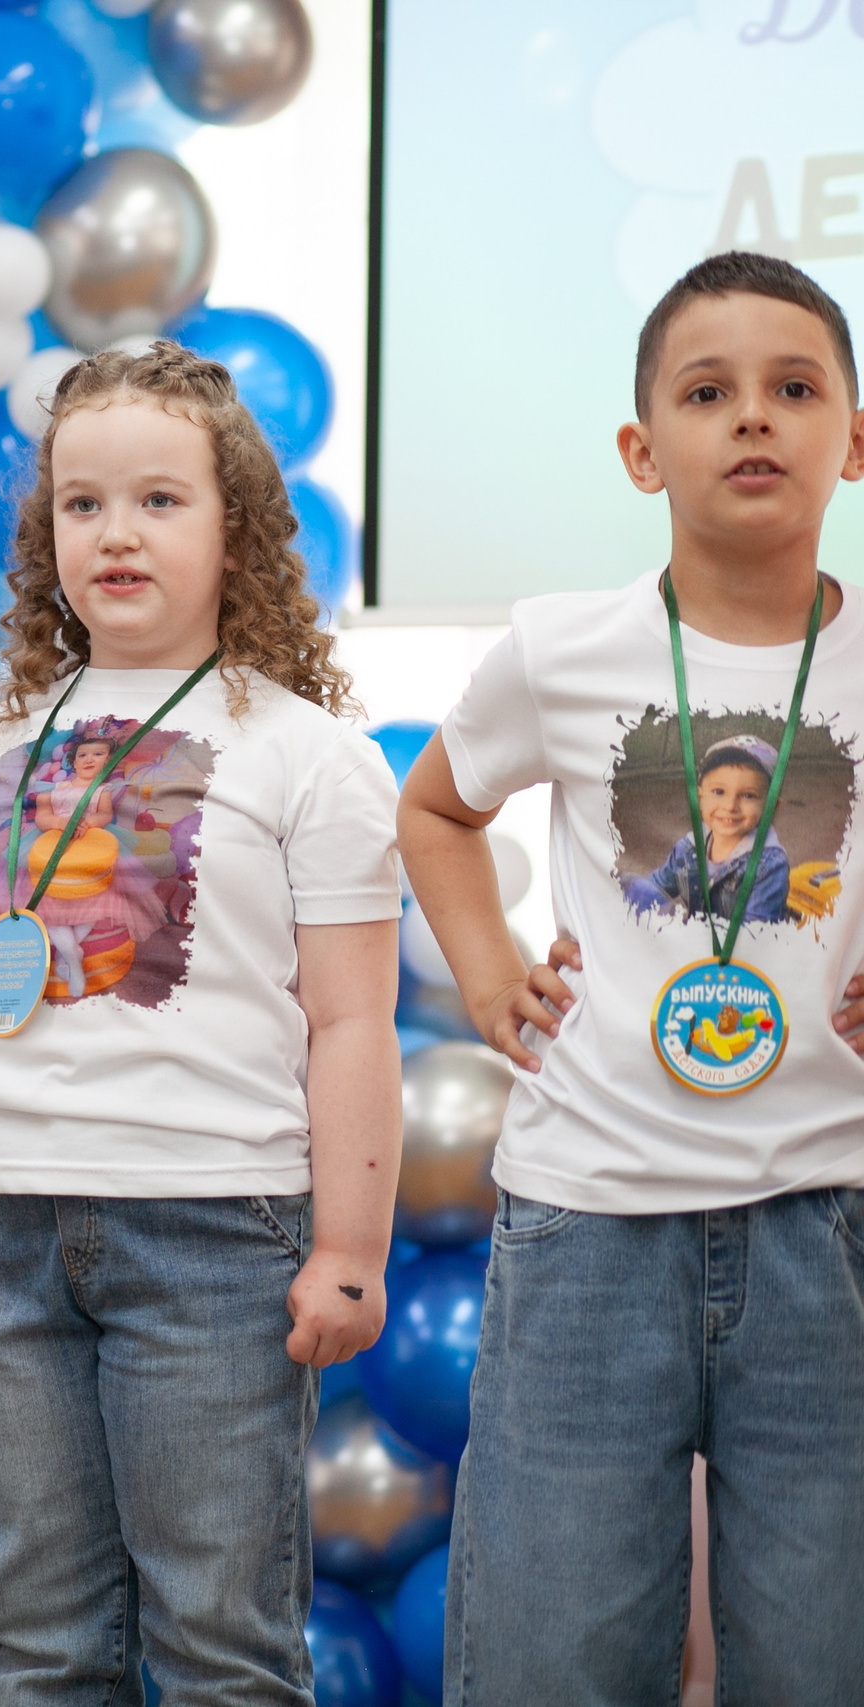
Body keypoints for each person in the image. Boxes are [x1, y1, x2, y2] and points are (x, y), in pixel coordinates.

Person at [0, 343, 403, 1703]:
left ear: (239, 529)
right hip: (1, 1229)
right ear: (47, 538)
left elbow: (351, 1022)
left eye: (161, 498)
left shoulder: (305, 750)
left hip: (213, 1231)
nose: (117, 532)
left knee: (220, 1641)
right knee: (41, 1639)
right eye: (82, 504)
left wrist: (347, 1243)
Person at [399, 251, 864, 1703]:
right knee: (555, 1646)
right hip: (592, 1219)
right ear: (640, 447)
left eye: (795, 389)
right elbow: (434, 808)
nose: (753, 420)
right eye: (708, 391)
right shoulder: (562, 648)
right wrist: (486, 974)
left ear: (854, 438)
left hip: (828, 1218)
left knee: (822, 1648)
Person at [622, 734, 793, 924]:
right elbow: (658, 886)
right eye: (719, 792)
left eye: (748, 795)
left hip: (734, 945)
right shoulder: (688, 847)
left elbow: (755, 933)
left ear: (771, 807)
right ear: (700, 797)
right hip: (696, 935)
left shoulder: (769, 864)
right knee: (631, 885)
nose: (730, 806)